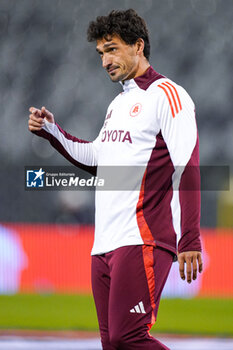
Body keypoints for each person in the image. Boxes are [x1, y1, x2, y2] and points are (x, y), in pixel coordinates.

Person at [28, 9, 203, 350]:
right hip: (105, 243)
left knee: (129, 337)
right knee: (113, 345)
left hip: (143, 238)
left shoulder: (168, 95)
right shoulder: (118, 105)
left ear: (138, 46)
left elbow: (188, 166)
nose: (105, 60)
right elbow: (98, 160)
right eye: (100, 53)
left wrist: (191, 238)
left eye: (111, 49)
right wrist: (52, 131)